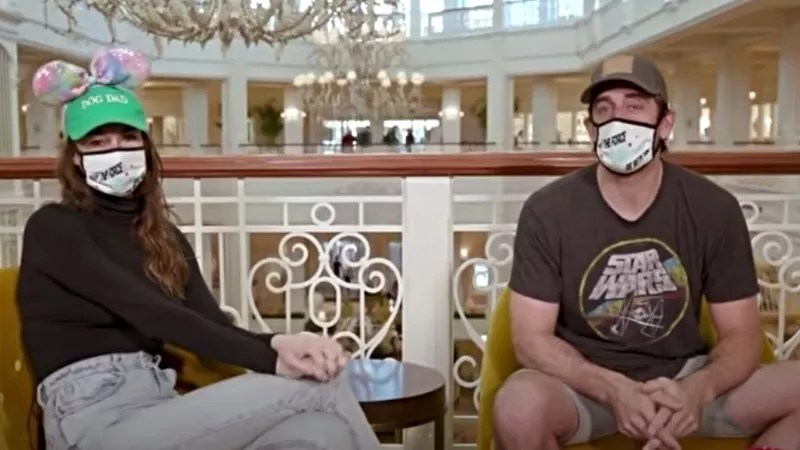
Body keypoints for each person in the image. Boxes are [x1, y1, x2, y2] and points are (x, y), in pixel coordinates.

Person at [17, 47, 380, 450]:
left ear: (145, 147)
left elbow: (212, 323)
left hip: (158, 402)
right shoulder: (53, 227)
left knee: (321, 431)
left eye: (127, 137)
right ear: (75, 158)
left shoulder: (163, 235)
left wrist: (278, 342)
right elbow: (152, 312)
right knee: (323, 387)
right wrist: (272, 358)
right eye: (97, 142)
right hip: (92, 419)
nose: (115, 151)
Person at [493, 53, 800, 450]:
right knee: (518, 407)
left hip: (686, 379)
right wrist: (612, 388)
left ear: (665, 123)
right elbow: (530, 339)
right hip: (586, 385)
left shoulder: (714, 208)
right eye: (605, 109)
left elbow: (742, 335)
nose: (617, 120)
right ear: (590, 128)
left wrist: (698, 389)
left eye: (634, 106)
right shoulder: (547, 211)